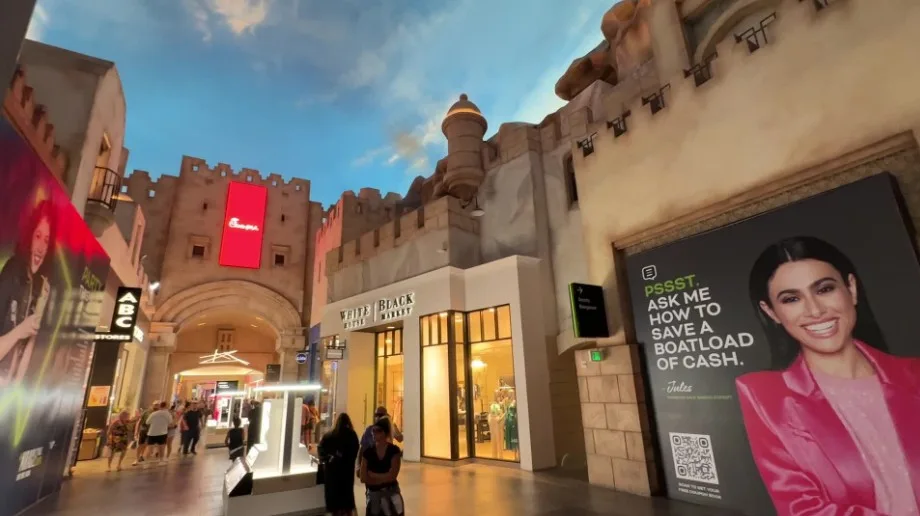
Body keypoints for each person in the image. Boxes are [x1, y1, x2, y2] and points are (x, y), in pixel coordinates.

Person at [737, 236, 920, 515]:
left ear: (852, 289)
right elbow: (804, 509)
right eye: (791, 299)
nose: (815, 310)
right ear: (771, 312)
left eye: (824, 289)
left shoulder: (914, 373)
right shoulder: (766, 397)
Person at [0, 199, 55, 386]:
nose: (40, 247)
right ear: (29, 237)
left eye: (46, 240)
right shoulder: (13, 272)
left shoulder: (38, 286)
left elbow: (24, 360)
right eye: (37, 236)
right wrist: (20, 331)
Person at [359, 419, 404, 516]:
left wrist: (373, 475)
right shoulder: (368, 453)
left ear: (385, 433)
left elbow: (393, 476)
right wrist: (385, 477)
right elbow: (363, 477)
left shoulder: (394, 451)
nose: (374, 433)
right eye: (373, 431)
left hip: (391, 492)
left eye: (378, 431)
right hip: (374, 494)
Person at [319, 413, 360, 516]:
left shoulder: (329, 436)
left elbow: (321, 450)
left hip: (332, 473)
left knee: (333, 498)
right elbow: (354, 451)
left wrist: (329, 459)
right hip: (346, 473)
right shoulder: (352, 435)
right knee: (347, 497)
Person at [133, 401, 158, 466]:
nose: (156, 406)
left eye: (157, 405)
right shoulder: (146, 412)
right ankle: (136, 459)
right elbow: (139, 421)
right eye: (155, 405)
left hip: (152, 431)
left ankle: (141, 456)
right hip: (144, 430)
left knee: (146, 444)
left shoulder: (158, 413)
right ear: (152, 405)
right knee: (140, 444)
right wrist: (136, 431)